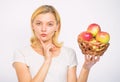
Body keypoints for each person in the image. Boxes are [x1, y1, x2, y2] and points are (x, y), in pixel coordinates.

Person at [12, 5, 100, 82]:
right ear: (32, 26)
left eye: (49, 24)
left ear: (57, 27)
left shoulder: (69, 53)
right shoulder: (21, 54)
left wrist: (86, 68)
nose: (43, 29)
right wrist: (47, 61)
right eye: (39, 23)